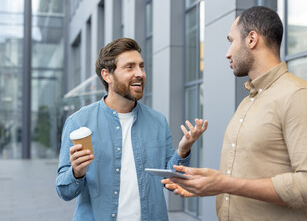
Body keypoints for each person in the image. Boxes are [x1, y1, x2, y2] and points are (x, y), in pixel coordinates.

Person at [162, 6, 307, 221]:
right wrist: (212, 186)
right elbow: (249, 179)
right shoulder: (247, 102)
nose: (227, 53)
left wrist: (225, 183)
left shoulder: (300, 97)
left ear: (252, 39)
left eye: (231, 41)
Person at [56, 38, 208, 221]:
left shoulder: (158, 121)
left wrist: (183, 150)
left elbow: (171, 182)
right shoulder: (79, 122)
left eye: (141, 66)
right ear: (107, 75)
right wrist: (76, 172)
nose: (140, 73)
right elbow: (64, 191)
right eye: (130, 67)